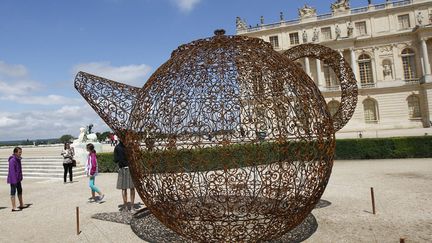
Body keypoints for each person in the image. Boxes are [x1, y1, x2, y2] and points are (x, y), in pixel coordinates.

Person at [114, 141, 136, 211]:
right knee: (132, 188)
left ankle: (126, 206)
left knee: (124, 189)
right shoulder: (129, 146)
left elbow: (115, 160)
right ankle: (132, 207)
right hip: (130, 168)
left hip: (122, 169)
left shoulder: (117, 147)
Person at [7, 147, 28, 212]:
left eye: (21, 152)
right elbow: (12, 171)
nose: (20, 153)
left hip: (18, 179)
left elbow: (19, 170)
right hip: (13, 180)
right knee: (13, 192)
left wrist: (20, 177)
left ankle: (21, 204)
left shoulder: (18, 159)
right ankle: (14, 207)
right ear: (15, 152)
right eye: (19, 152)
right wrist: (14, 181)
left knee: (20, 191)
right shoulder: (12, 160)